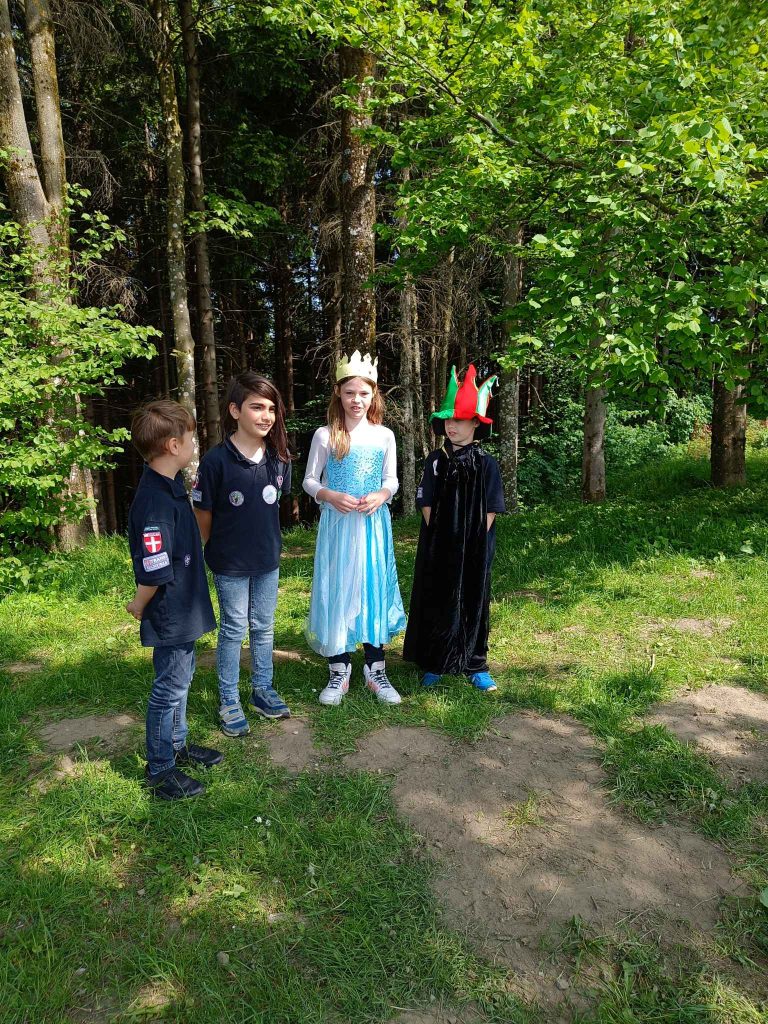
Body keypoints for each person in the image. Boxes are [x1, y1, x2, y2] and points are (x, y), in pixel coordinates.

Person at [126, 399, 222, 800]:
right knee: (169, 688)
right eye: (191, 439)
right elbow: (154, 566)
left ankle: (177, 745)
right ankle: (160, 767)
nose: (194, 445)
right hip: (170, 611)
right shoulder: (155, 502)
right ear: (172, 445)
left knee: (182, 680)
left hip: (186, 606)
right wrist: (138, 604)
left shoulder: (170, 488)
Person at [303, 350, 406, 706]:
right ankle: (339, 667)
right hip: (338, 526)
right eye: (349, 393)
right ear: (338, 393)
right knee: (338, 586)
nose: (356, 400)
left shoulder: (384, 436)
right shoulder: (325, 435)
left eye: (363, 393)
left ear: (374, 394)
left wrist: (382, 494)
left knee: (372, 585)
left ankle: (375, 667)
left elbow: (391, 480)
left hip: (372, 525)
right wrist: (329, 494)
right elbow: (309, 481)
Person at [192, 373, 292, 736]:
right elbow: (203, 514)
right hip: (230, 563)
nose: (266, 416)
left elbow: (274, 507)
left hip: (267, 560)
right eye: (257, 407)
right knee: (234, 628)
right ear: (235, 411)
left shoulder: (279, 459)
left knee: (263, 627)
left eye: (271, 409)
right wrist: (209, 550)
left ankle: (262, 690)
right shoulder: (215, 461)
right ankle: (229, 699)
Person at [403, 364, 506, 691]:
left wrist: (472, 541)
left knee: (474, 599)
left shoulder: (486, 464)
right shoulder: (436, 460)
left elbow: (491, 508)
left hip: (475, 548)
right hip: (439, 545)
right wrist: (443, 537)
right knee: (437, 597)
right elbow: (426, 501)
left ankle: (475, 663)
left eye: (459, 420)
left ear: (475, 423)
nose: (452, 426)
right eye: (448, 420)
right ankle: (435, 660)